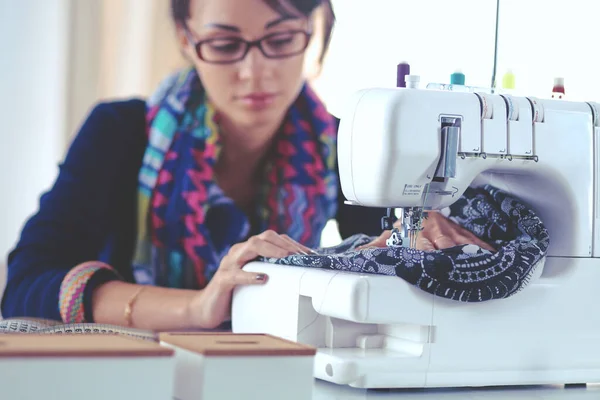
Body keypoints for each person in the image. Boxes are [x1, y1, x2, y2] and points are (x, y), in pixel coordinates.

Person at [1, 0, 492, 331]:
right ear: (185, 36)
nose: (254, 72)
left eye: (280, 41)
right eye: (224, 44)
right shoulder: (119, 132)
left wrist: (416, 245)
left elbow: (386, 259)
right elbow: (26, 285)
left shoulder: (347, 146)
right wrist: (195, 308)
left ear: (317, 30)